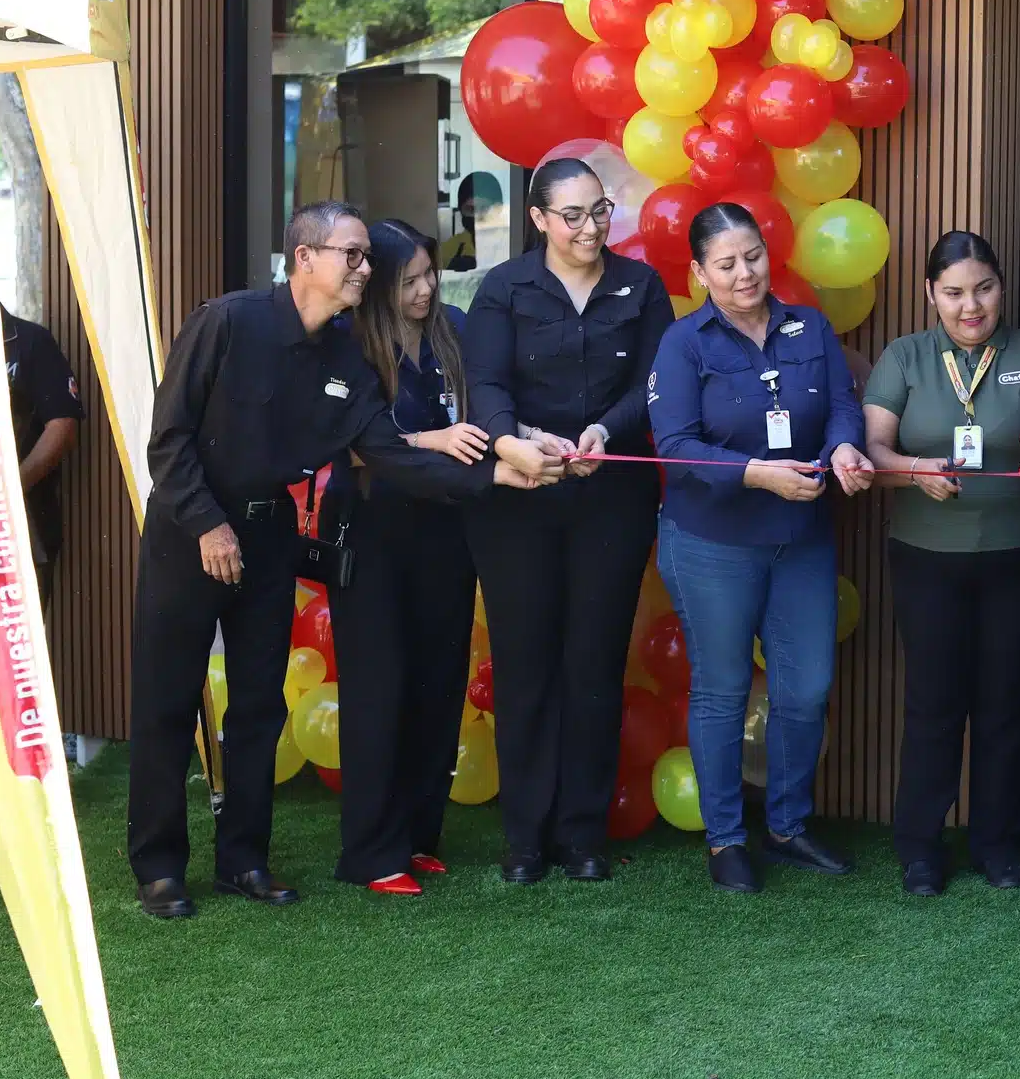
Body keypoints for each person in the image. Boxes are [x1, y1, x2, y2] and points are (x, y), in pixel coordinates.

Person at [127, 201, 546, 921]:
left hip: (268, 540)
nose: (363, 269)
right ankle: (160, 866)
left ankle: (244, 859)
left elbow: (384, 453)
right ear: (305, 259)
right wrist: (208, 524)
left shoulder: (347, 355)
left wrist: (500, 474)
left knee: (258, 705)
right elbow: (167, 439)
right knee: (168, 705)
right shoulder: (227, 322)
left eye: (365, 259)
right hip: (188, 536)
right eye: (351, 255)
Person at [648, 202, 875, 894]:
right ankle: (726, 839)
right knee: (721, 690)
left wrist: (842, 447)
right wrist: (754, 473)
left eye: (752, 256)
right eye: (725, 263)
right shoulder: (684, 344)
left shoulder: (810, 326)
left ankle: (788, 825)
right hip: (713, 542)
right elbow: (675, 446)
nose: (744, 272)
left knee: (805, 687)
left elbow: (843, 404)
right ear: (698, 272)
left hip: (800, 537)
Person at [462, 158, 673, 885]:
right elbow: (483, 382)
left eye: (600, 211)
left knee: (593, 664)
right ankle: (524, 836)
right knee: (525, 666)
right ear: (540, 220)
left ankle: (582, 832)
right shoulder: (503, 288)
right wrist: (513, 439)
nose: (591, 227)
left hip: (608, 496)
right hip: (519, 496)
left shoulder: (640, 287)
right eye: (574, 215)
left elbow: (654, 382)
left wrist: (603, 433)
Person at [862, 231, 1020, 896]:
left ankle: (997, 842)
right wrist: (915, 469)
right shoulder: (906, 357)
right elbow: (871, 450)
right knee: (933, 703)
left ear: (1000, 288)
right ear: (931, 294)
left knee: (1007, 703)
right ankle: (921, 847)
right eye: (953, 292)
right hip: (929, 558)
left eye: (982, 287)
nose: (970, 304)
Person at [324, 218, 488, 896]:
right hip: (374, 526)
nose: (425, 290)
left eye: (431, 275)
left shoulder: (451, 328)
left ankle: (419, 836)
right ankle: (371, 850)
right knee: (379, 686)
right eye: (410, 279)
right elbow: (359, 446)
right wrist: (439, 439)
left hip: (445, 528)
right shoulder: (349, 341)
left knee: (437, 681)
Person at [1, 307, 85, 606]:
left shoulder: (29, 341)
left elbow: (63, 427)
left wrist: (9, 490)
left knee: (15, 644)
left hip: (21, 525)